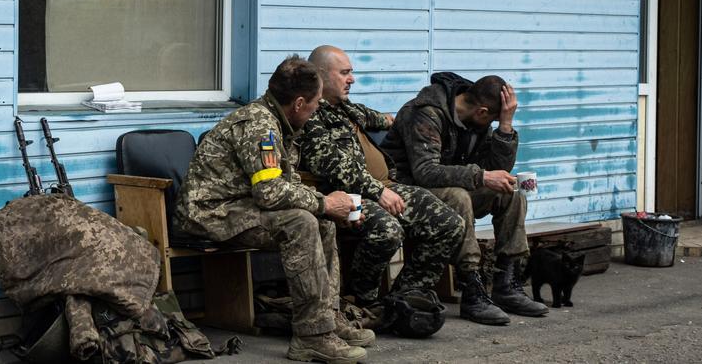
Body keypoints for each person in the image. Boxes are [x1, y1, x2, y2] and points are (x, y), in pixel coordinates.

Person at [173, 56, 372, 364]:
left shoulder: (278, 121)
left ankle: (327, 319)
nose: (318, 108)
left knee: (322, 222)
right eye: (316, 103)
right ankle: (311, 338)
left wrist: (330, 207)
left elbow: (283, 185)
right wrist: (324, 202)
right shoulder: (260, 127)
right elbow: (270, 193)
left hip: (239, 207)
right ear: (299, 102)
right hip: (210, 214)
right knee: (302, 223)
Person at [298, 46, 464, 329]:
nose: (352, 79)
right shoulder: (311, 116)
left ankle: (404, 295)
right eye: (345, 73)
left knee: (450, 224)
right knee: (387, 231)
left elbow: (382, 118)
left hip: (385, 187)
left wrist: (395, 120)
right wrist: (378, 191)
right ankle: (363, 301)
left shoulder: (348, 109)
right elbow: (333, 166)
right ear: (321, 77)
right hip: (347, 196)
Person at [379, 72, 548, 325]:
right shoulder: (427, 113)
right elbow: (425, 172)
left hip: (450, 184)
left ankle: (507, 284)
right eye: (493, 119)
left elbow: (494, 166)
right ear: (481, 112)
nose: (492, 124)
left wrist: (505, 127)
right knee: (459, 197)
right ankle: (472, 290)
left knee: (511, 195)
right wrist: (481, 177)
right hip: (407, 188)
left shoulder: (475, 121)